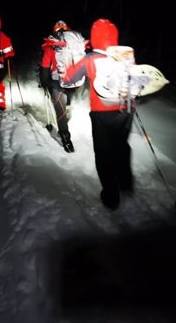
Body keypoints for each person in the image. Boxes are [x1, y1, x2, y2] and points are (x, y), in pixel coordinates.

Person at [62, 18, 134, 210]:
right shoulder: (126, 55)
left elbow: (69, 77)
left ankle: (111, 196)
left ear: (94, 37)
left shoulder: (91, 58)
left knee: (103, 153)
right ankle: (126, 182)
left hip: (102, 114)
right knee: (121, 146)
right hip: (126, 110)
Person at [39, 20, 86, 153]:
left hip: (57, 82)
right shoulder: (76, 43)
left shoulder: (51, 45)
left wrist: (44, 82)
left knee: (60, 109)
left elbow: (45, 66)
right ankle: (69, 102)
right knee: (67, 96)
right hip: (74, 81)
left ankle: (65, 136)